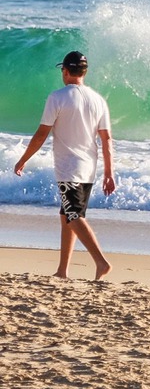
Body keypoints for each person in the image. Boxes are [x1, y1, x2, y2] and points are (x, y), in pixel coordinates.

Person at [12, 51, 116, 280]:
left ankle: (101, 262)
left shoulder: (57, 97)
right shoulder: (98, 100)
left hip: (69, 167)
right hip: (89, 168)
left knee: (73, 215)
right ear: (84, 72)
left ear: (66, 71)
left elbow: (41, 134)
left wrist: (23, 159)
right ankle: (62, 271)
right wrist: (109, 173)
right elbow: (107, 139)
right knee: (67, 215)